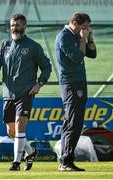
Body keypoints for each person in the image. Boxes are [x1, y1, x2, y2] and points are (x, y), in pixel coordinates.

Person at [0, 14, 52, 171]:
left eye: (18, 25)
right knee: (11, 131)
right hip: (8, 93)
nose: (15, 28)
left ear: (25, 26)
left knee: (20, 125)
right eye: (13, 25)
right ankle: (31, 152)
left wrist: (39, 83)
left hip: (26, 93)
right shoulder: (5, 46)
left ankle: (16, 163)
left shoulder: (33, 46)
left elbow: (47, 66)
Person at [55, 12, 97, 171]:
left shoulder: (77, 37)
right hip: (71, 84)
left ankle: (66, 160)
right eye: (85, 27)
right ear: (75, 23)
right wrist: (82, 38)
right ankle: (66, 161)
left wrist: (89, 38)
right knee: (73, 122)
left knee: (75, 122)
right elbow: (78, 57)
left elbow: (92, 54)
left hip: (79, 82)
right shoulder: (64, 37)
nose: (86, 30)